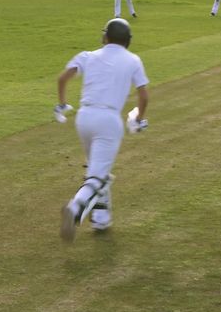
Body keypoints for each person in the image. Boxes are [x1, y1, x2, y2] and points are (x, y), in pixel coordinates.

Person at [54, 18, 149, 242]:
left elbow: (62, 78)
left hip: (84, 118)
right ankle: (75, 208)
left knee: (97, 170)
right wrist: (139, 119)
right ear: (128, 40)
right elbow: (143, 95)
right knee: (97, 177)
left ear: (106, 36)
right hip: (108, 120)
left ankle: (101, 218)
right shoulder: (133, 60)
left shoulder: (88, 55)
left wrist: (62, 103)